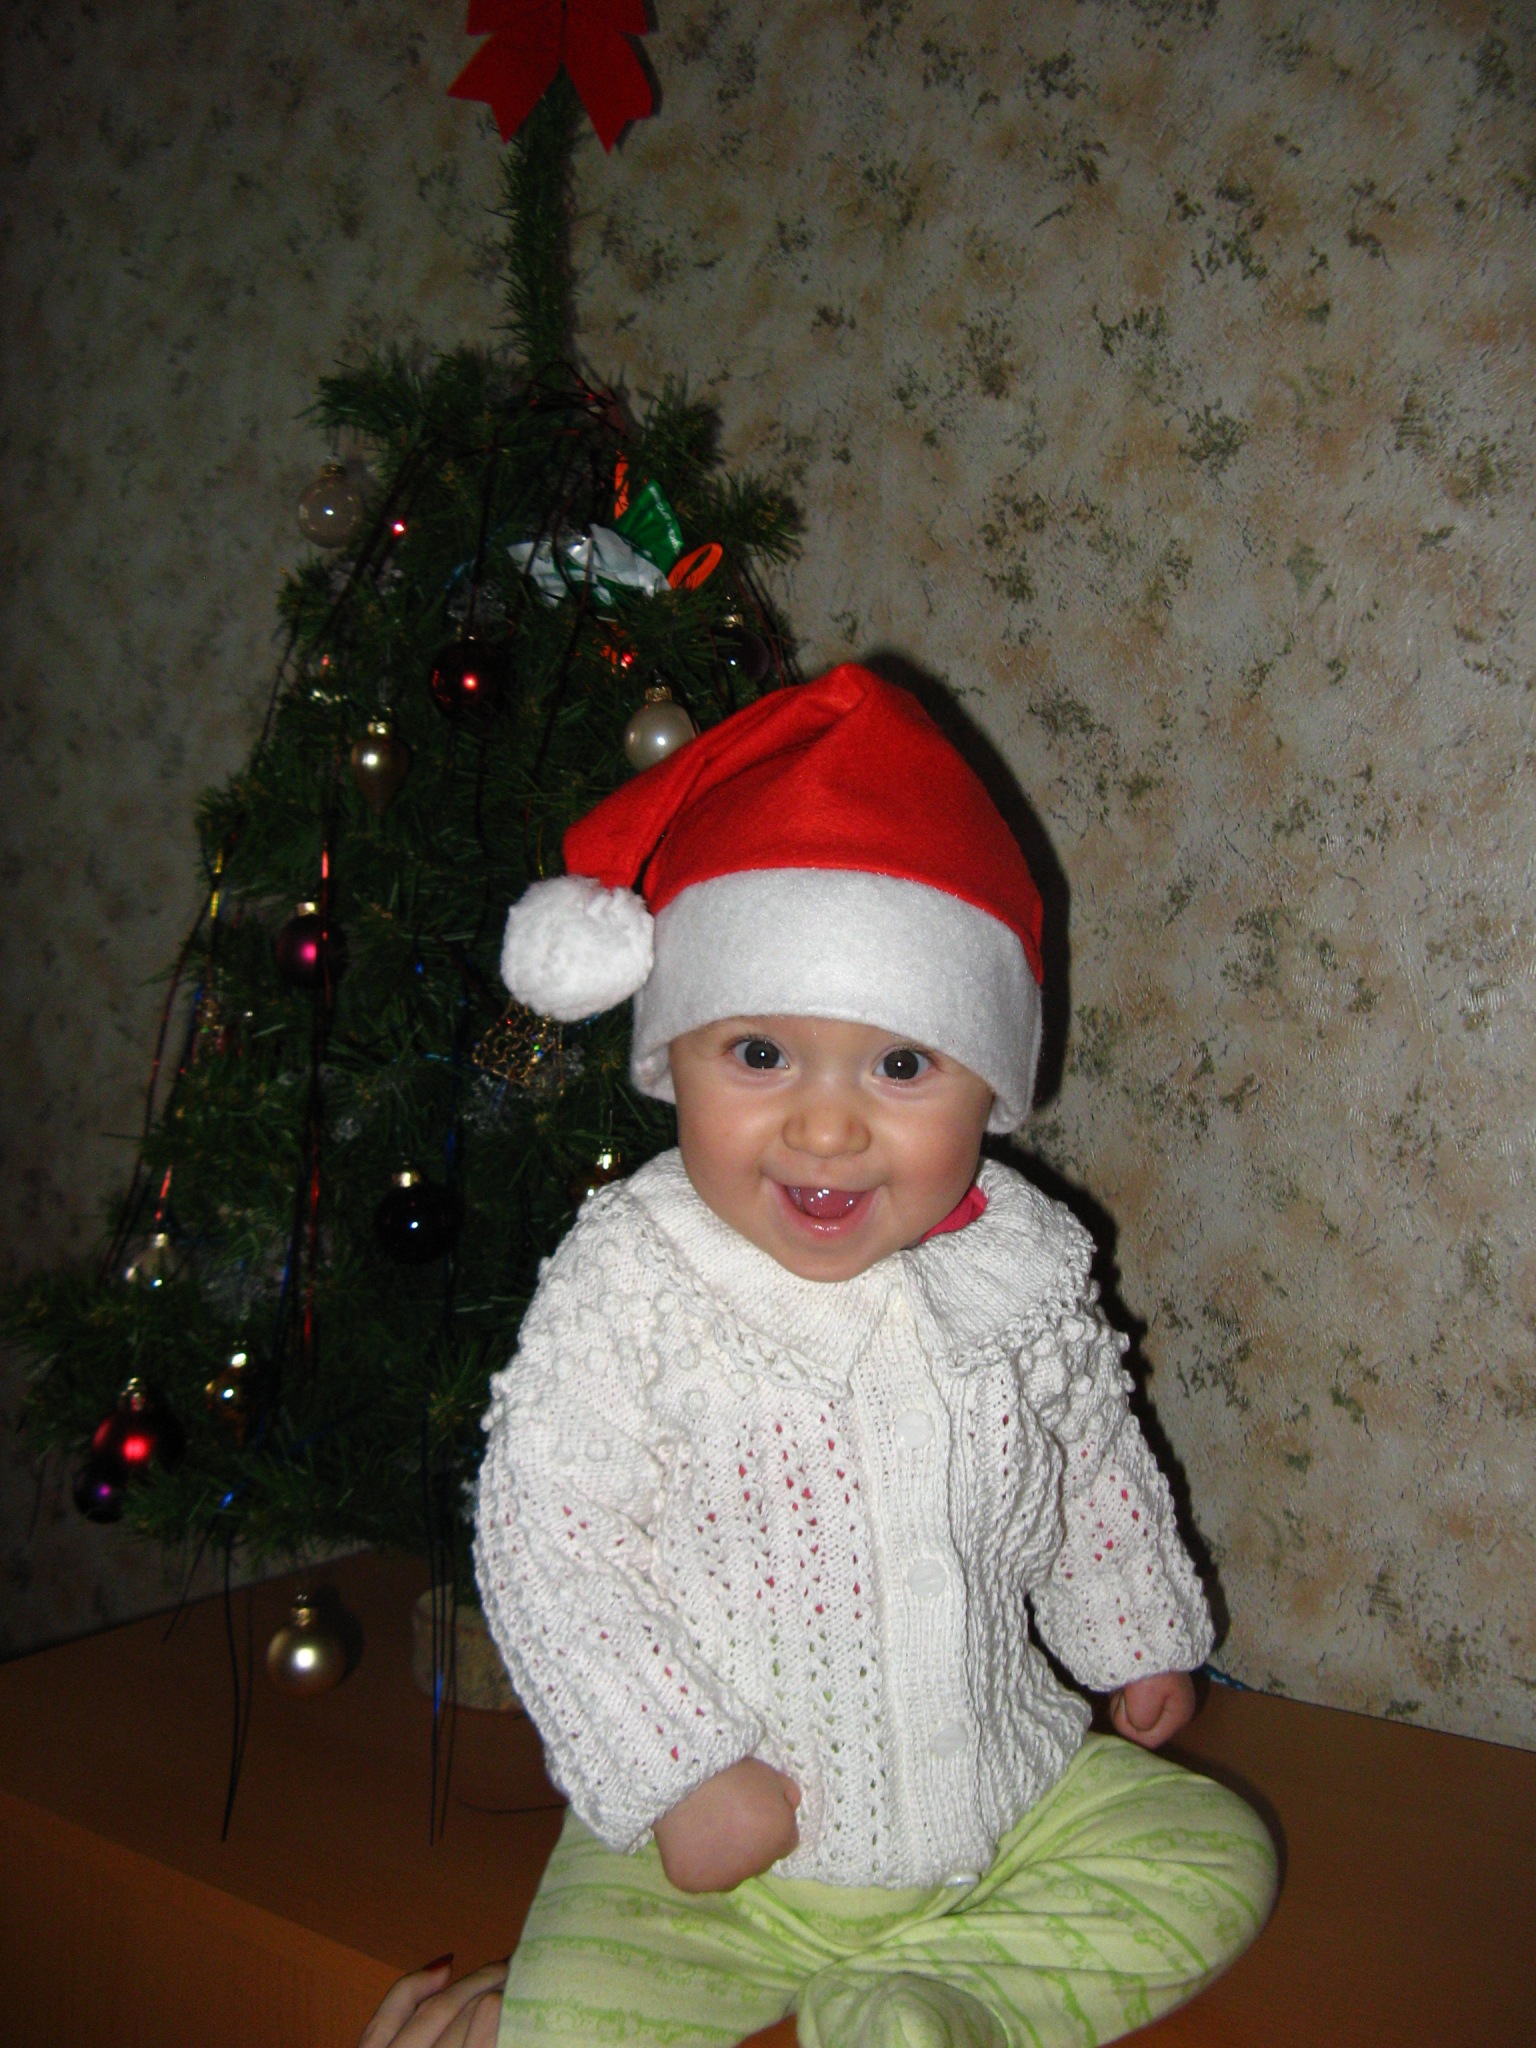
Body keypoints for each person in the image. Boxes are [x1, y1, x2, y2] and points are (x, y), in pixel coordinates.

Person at [467, 666, 1277, 2048]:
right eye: (761, 1052)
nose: (828, 1129)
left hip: (1007, 1806)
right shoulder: (634, 1280)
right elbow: (548, 1534)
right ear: (671, 1060)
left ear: (991, 1084)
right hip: (719, 1858)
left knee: (1215, 1857)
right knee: (565, 2023)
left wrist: (1135, 1628)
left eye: (902, 1067)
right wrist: (677, 1769)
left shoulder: (1024, 1261)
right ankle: (879, 1973)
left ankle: (940, 2002)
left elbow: (1090, 1457)